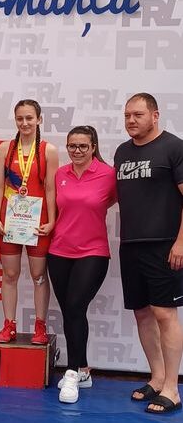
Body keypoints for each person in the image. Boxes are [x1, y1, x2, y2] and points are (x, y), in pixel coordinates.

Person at [115, 93, 183, 414]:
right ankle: (156, 378)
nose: (131, 120)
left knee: (164, 314)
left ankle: (172, 388)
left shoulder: (173, 147)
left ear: (155, 116)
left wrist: (181, 243)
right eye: (127, 115)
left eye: (138, 115)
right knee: (142, 313)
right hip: (131, 244)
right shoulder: (122, 152)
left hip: (164, 245)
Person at [47, 126, 117, 404]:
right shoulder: (60, 174)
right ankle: (84, 370)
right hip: (59, 251)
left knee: (76, 306)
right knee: (70, 312)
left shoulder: (108, 174)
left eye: (83, 146)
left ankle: (72, 372)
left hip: (93, 252)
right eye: (72, 146)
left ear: (93, 147)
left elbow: (118, 201)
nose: (77, 151)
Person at [0, 99, 58, 344]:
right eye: (20, 118)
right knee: (10, 274)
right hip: (9, 220)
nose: (25, 123)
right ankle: (9, 325)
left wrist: (52, 221)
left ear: (39, 119)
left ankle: (40, 327)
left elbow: (50, 189)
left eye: (29, 118)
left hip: (37, 221)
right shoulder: (5, 149)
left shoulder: (48, 150)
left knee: (39, 275)